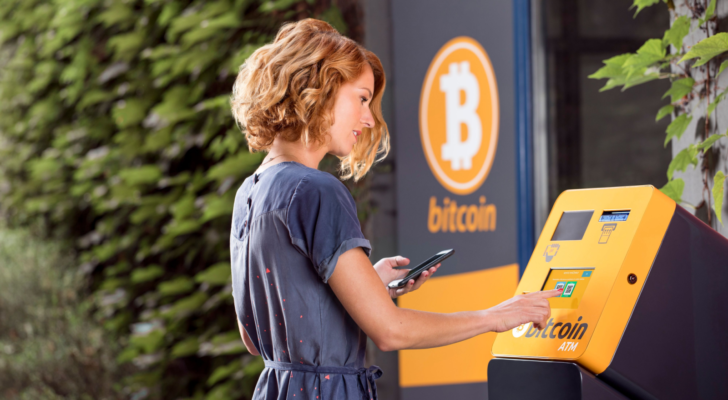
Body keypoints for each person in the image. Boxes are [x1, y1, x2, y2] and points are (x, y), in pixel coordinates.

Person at [229, 18, 561, 400]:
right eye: (362, 98)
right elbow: (391, 331)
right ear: (320, 88)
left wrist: (367, 285)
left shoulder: (250, 192)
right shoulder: (317, 190)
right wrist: (496, 317)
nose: (369, 119)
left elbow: (255, 337)